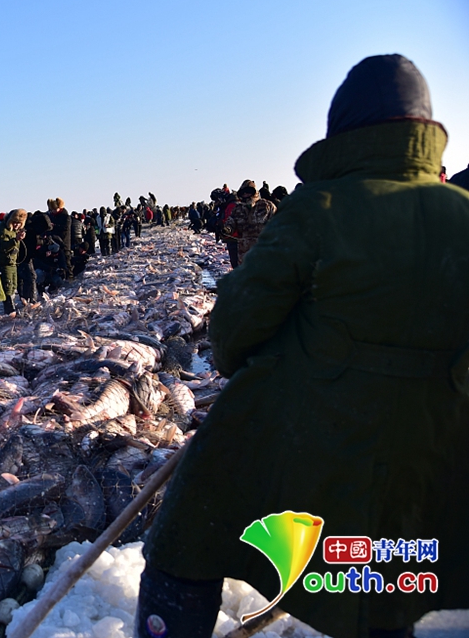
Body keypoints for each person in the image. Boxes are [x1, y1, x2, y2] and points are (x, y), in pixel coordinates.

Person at [136, 55, 469, 638]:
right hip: (436, 449)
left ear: (346, 128)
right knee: (385, 570)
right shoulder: (462, 212)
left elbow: (233, 333)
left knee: (190, 530)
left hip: (312, 431)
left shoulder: (320, 206)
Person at [224, 179, 277, 264]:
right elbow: (231, 222)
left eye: (248, 192)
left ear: (254, 192)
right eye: (243, 193)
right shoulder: (238, 209)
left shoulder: (267, 206)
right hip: (245, 253)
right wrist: (226, 229)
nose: (245, 195)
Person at [0, 209, 26, 314]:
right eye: (15, 222)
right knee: (7, 287)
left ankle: (12, 309)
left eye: (19, 223)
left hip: (13, 262)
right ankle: (9, 310)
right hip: (4, 263)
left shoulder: (14, 231)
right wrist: (15, 240)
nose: (17, 225)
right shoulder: (3, 230)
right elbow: (2, 247)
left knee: (13, 286)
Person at [47, 198, 73, 279]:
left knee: (66, 261)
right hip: (55, 242)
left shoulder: (66, 217)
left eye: (54, 209)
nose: (53, 211)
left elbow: (65, 229)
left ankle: (70, 277)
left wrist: (54, 226)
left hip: (64, 242)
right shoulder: (52, 216)